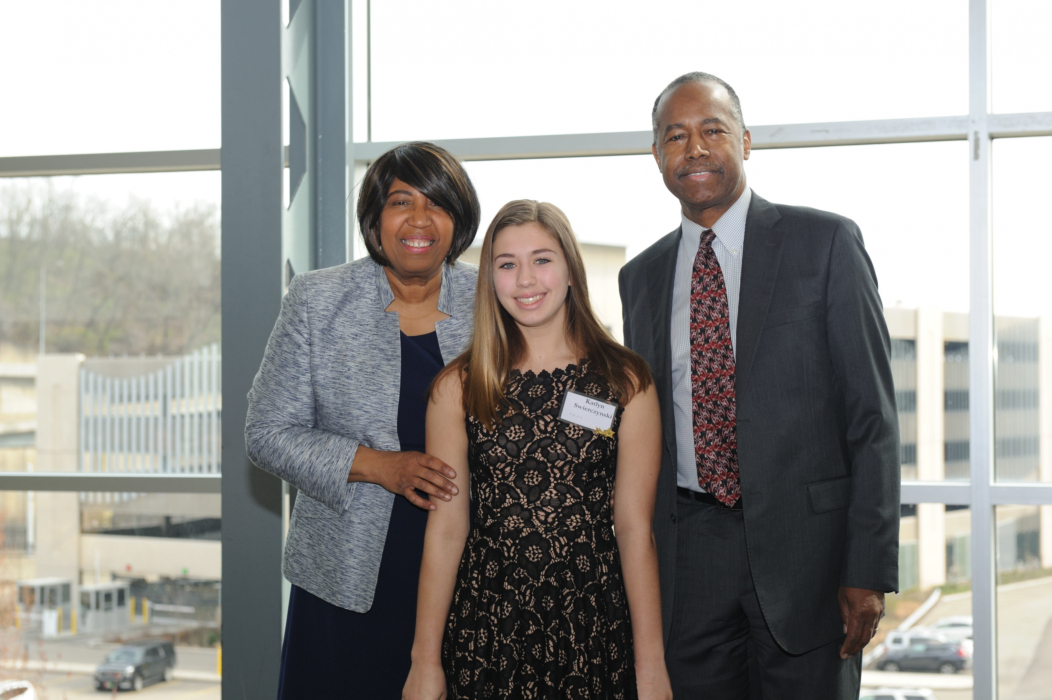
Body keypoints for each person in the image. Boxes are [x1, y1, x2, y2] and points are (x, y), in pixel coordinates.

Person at [618, 72, 901, 698]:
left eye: (712, 130)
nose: (694, 148)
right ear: (657, 155)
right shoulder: (641, 277)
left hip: (809, 557)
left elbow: (872, 417)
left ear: (744, 141)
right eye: (675, 136)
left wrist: (867, 567)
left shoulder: (825, 243)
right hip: (689, 558)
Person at [403, 200, 673, 700]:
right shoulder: (457, 387)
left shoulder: (625, 381)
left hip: (592, 627)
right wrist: (424, 661)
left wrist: (651, 666)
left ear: (571, 269)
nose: (525, 279)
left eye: (542, 259)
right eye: (507, 264)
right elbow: (446, 531)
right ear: (490, 280)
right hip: (487, 628)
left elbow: (636, 531)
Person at [245, 141, 481, 698]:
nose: (419, 219)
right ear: (375, 220)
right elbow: (266, 433)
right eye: (401, 202)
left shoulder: (492, 300)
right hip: (343, 580)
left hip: (471, 580)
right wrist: (380, 466)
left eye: (437, 204)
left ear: (459, 220)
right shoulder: (317, 299)